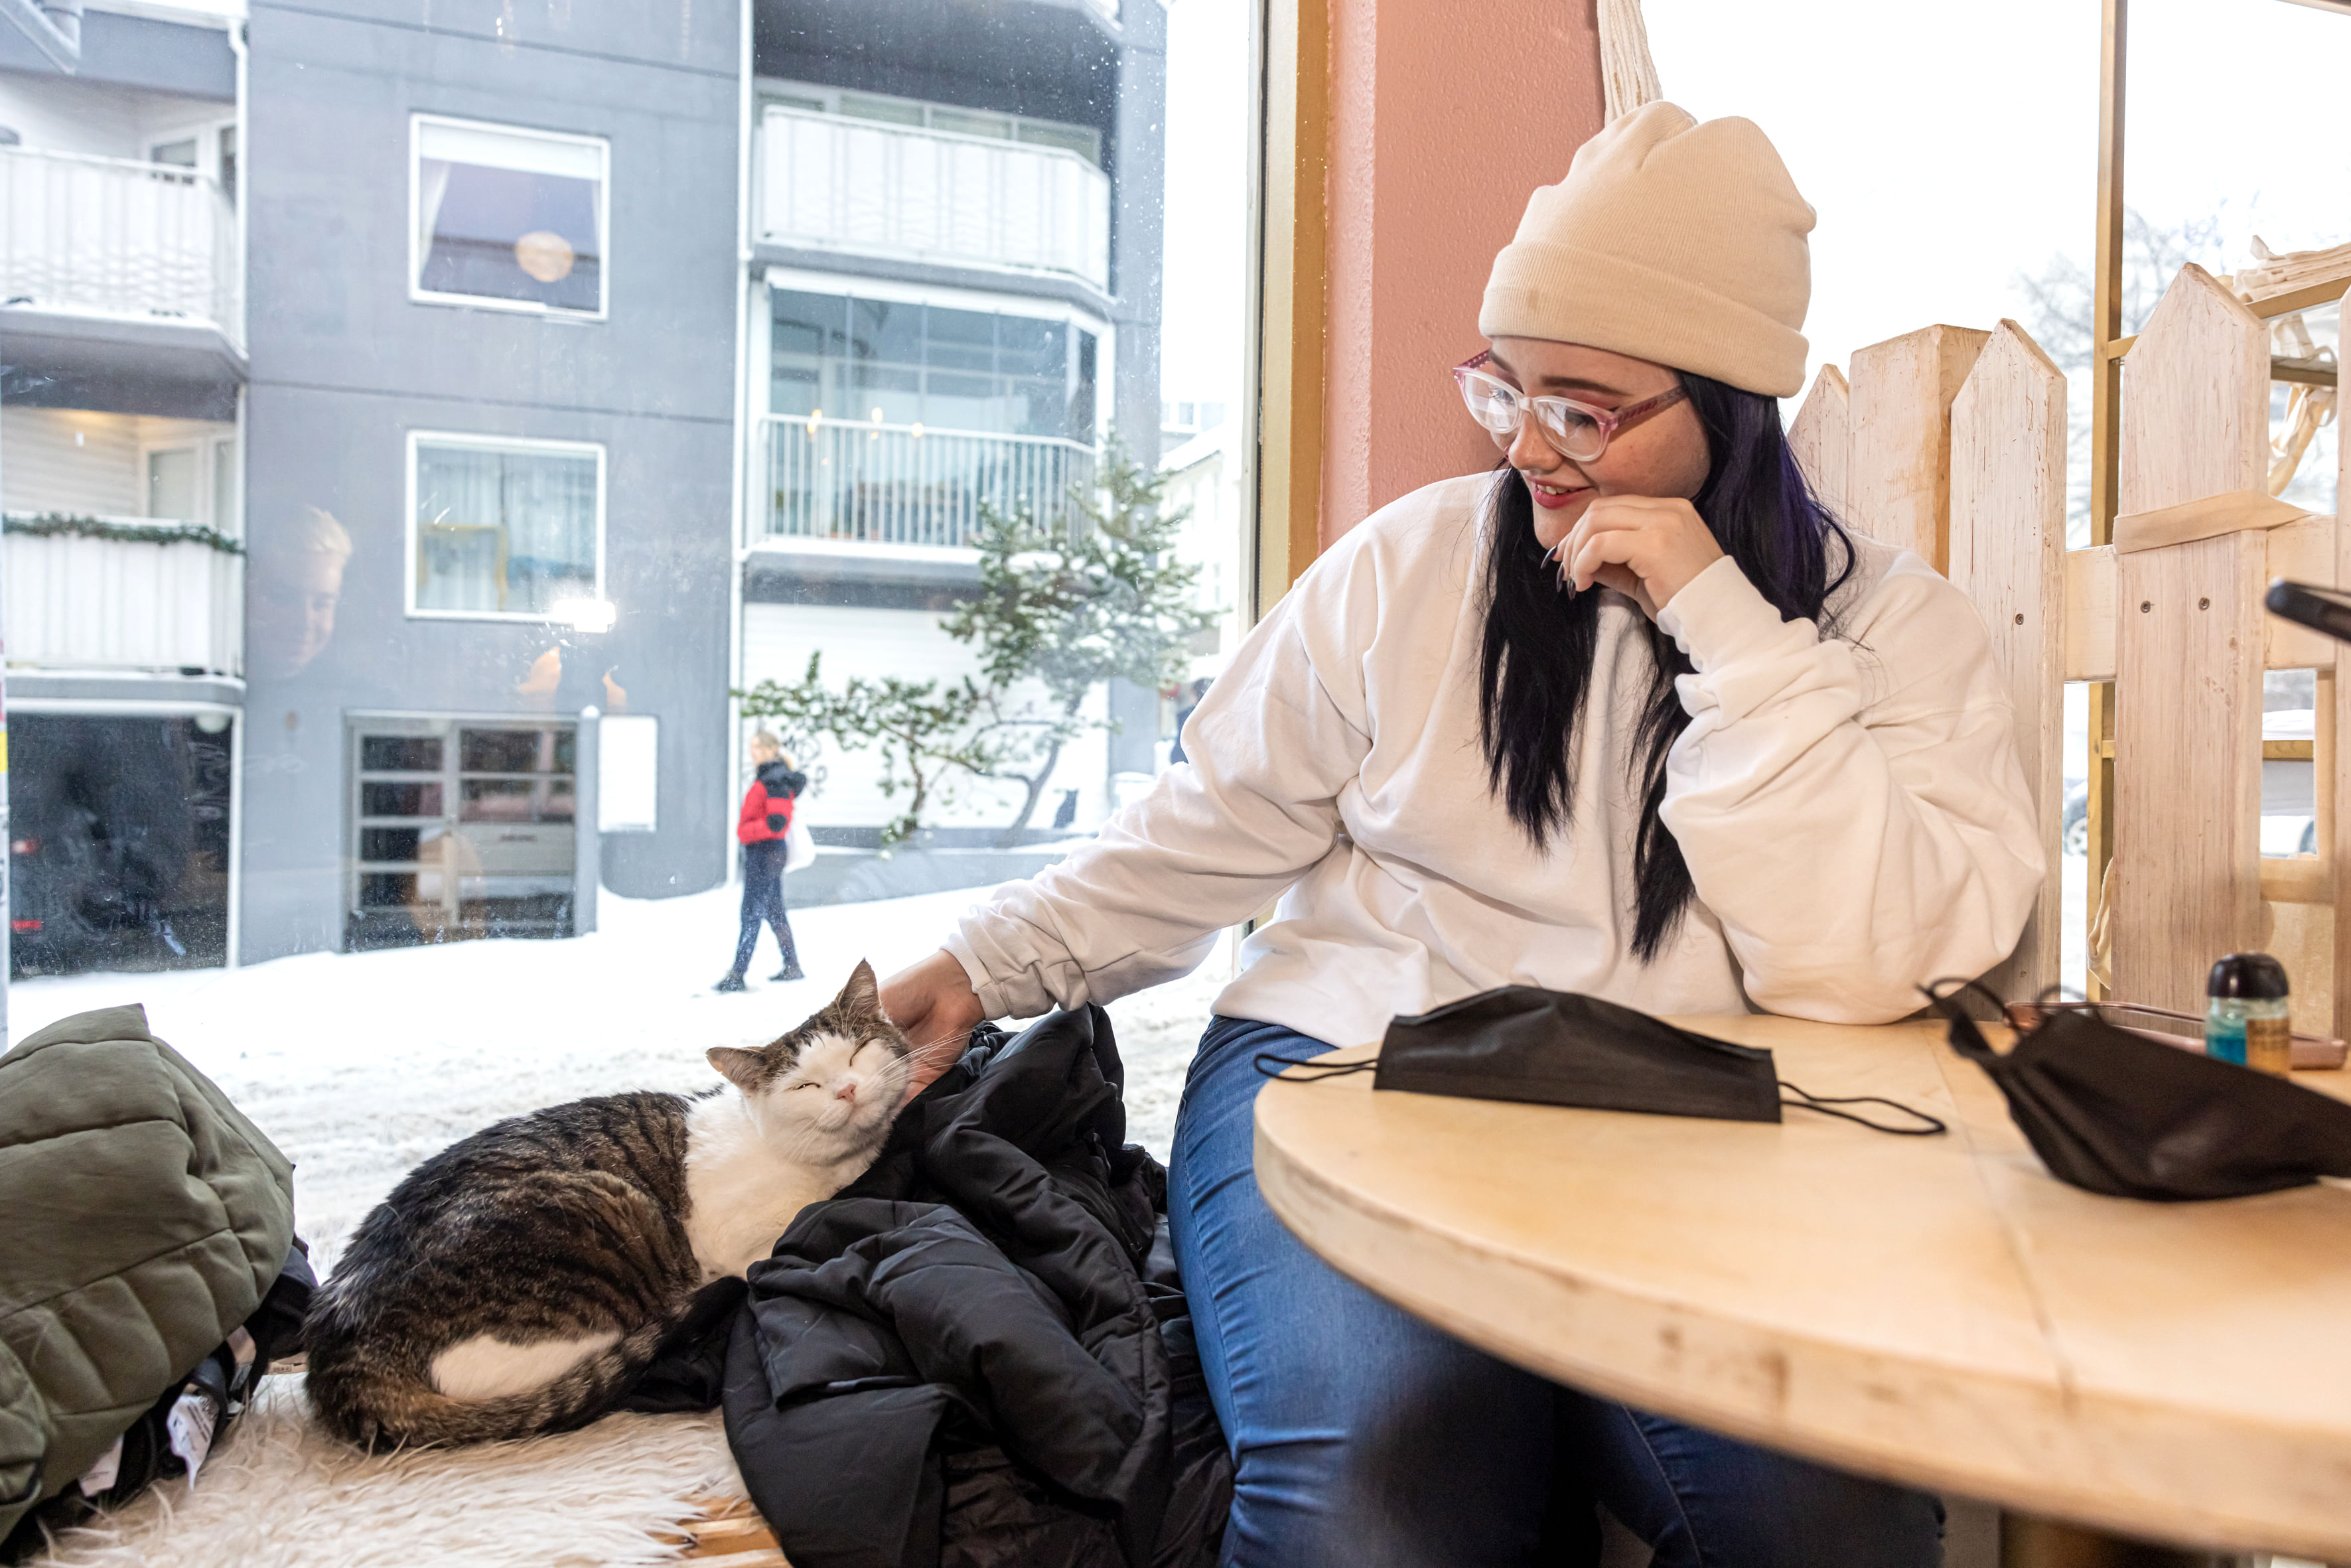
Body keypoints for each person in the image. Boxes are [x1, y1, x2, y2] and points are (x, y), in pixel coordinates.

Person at [879, 102, 2042, 1567]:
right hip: (1345, 1066)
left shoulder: (1889, 630)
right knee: (1378, 1503)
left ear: (1731, 403)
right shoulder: (1411, 563)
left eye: (1586, 411)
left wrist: (1726, 633)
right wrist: (980, 964)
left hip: (1689, 1128)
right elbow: (1209, 825)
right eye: (1508, 391)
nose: (1532, 450)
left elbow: (1864, 965)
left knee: (1827, 1526)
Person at [717, 731, 807, 992]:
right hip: (766, 852)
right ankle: (792, 966)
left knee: (751, 912)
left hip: (765, 852)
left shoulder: (774, 779)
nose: (752, 752)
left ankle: (738, 974)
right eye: (751, 747)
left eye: (757, 747)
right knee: (774, 911)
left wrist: (746, 832)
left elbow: (777, 822)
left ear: (771, 749)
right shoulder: (771, 776)